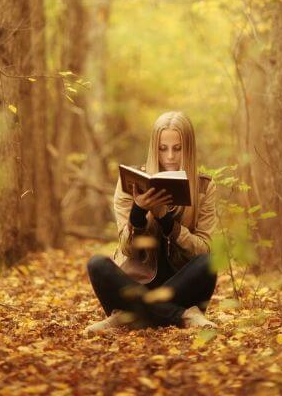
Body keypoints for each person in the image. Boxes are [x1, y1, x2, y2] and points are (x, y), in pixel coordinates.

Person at [84, 111, 218, 334]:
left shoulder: (204, 187)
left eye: (178, 148)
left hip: (181, 286)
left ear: (189, 149)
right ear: (154, 148)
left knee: (208, 262)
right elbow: (126, 248)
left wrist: (166, 220)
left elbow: (202, 249)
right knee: (97, 264)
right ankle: (183, 315)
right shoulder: (131, 182)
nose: (170, 157)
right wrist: (139, 211)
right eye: (162, 148)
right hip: (138, 282)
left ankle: (127, 317)